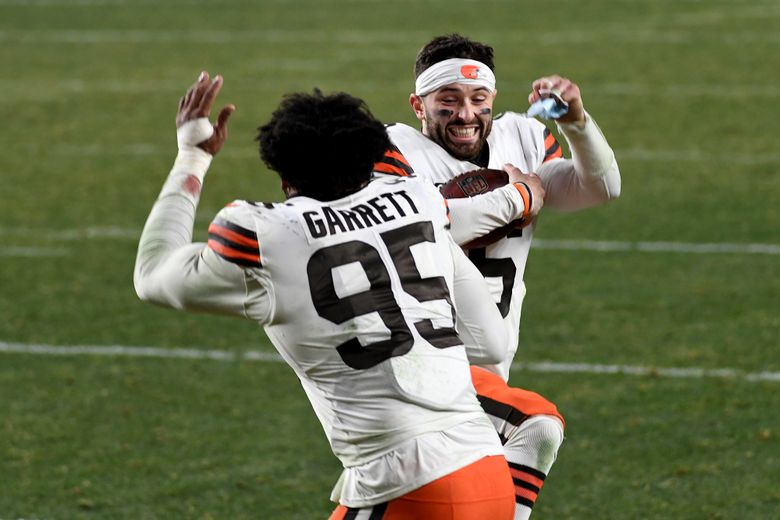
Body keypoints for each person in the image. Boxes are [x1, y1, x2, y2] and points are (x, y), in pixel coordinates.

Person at [133, 72, 546, 518]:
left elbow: (152, 275)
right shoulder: (418, 199)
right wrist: (519, 195)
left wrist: (192, 157)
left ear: (283, 172)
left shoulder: (266, 232)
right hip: (487, 469)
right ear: (373, 156)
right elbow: (490, 341)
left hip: (406, 484)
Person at [373, 33, 621, 519]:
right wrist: (516, 199)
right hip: (422, 362)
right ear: (418, 105)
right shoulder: (391, 151)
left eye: (477, 99)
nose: (465, 114)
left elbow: (601, 188)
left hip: (492, 360)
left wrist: (577, 123)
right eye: (448, 100)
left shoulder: (521, 137)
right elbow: (414, 233)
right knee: (535, 433)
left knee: (437, 504)